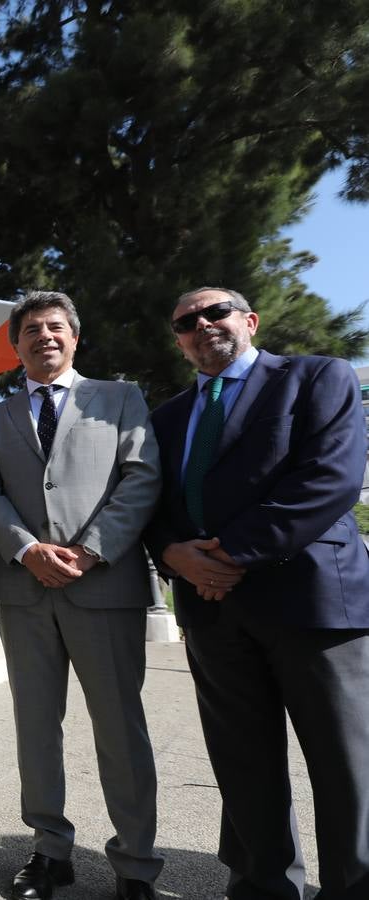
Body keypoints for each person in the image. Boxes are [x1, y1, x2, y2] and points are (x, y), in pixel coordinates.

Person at [146, 287, 369, 900]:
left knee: (346, 765)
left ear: (250, 320)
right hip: (213, 612)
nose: (201, 325)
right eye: (185, 320)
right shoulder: (166, 418)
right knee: (244, 767)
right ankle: (264, 886)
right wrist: (172, 554)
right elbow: (153, 504)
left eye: (214, 312)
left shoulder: (317, 377)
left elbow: (331, 478)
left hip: (313, 602)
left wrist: (226, 555)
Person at [0, 292, 163, 900]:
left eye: (55, 327)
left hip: (102, 586)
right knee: (35, 727)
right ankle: (50, 851)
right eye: (30, 330)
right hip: (26, 591)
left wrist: (90, 550)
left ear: (75, 338)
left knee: (119, 728)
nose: (43, 337)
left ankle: (135, 862)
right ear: (16, 344)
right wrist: (27, 549)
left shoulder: (120, 398)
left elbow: (142, 477)